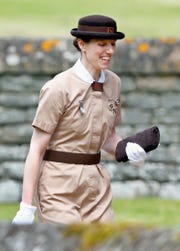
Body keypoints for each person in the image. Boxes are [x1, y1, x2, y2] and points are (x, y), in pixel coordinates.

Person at [12, 14, 147, 225]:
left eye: (113, 44)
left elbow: (108, 136)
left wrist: (128, 151)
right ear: (82, 44)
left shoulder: (114, 83)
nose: (110, 51)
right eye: (102, 44)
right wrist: (26, 208)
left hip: (97, 189)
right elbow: (37, 148)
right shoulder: (58, 88)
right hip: (58, 188)